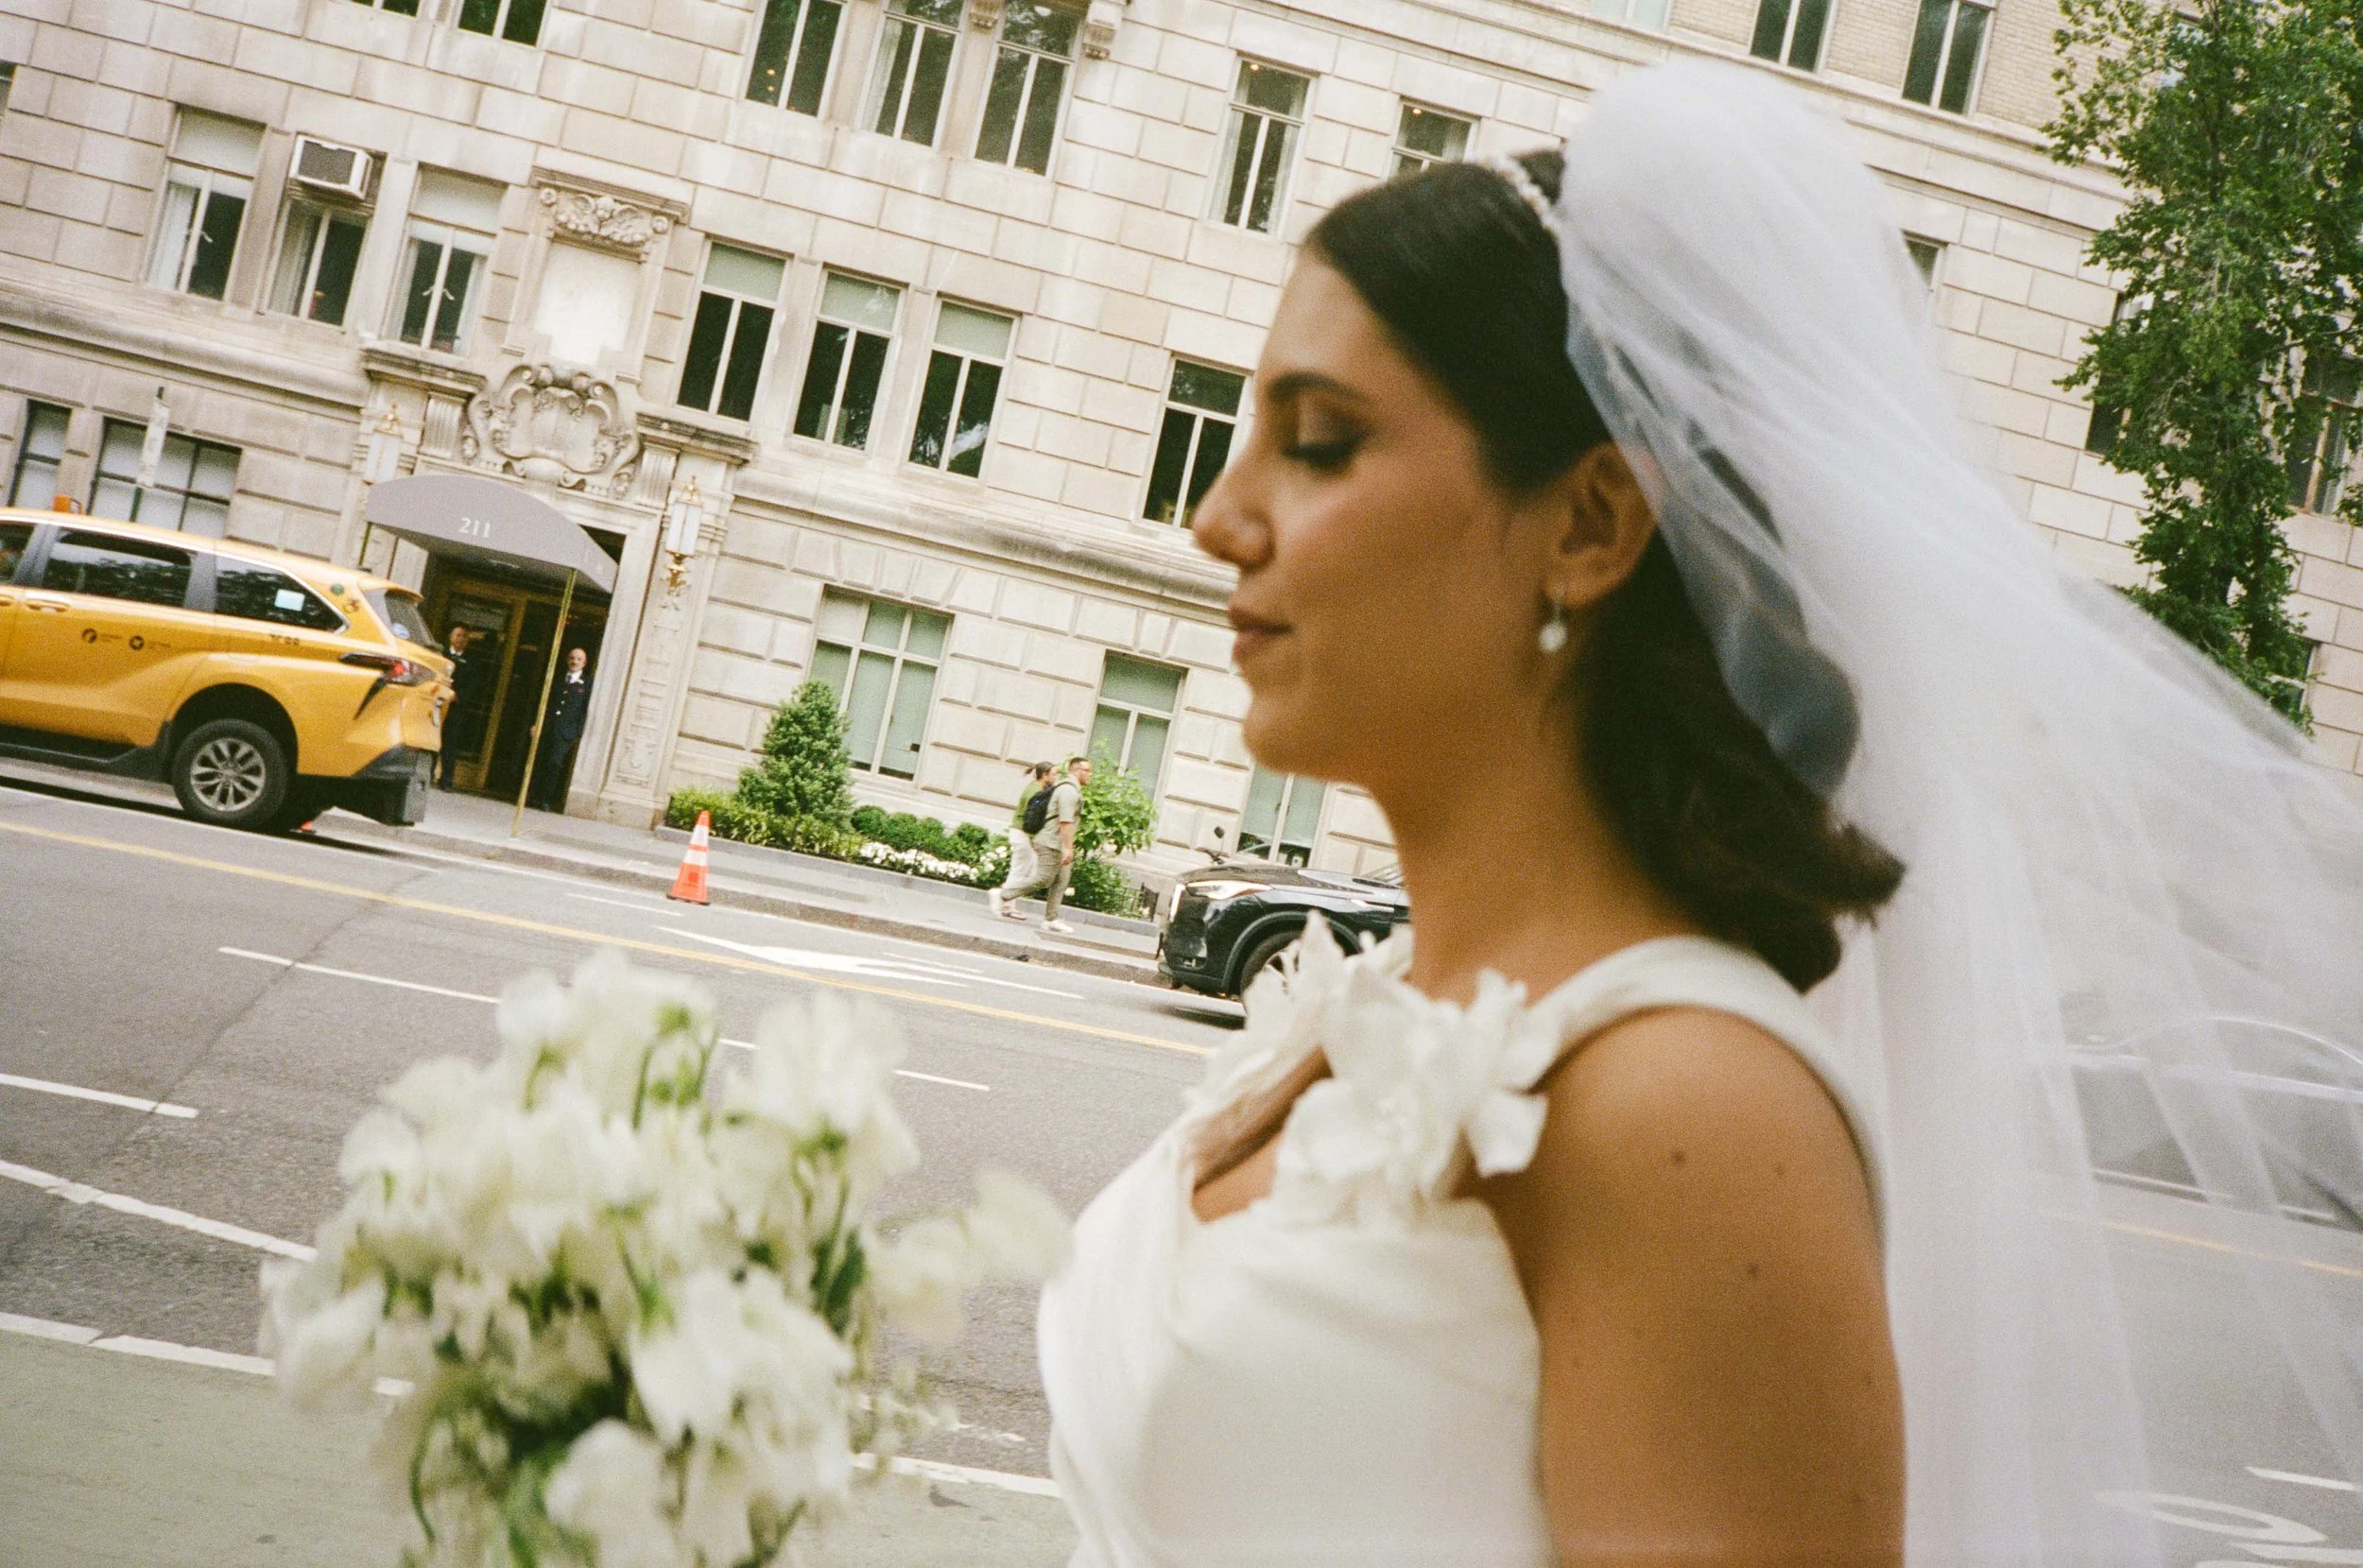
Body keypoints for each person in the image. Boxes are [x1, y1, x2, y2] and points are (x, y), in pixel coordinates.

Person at [1036, 61, 2363, 1568]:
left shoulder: (1689, 1106)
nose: (1219, 516)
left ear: (1594, 521)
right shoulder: (1385, 1001)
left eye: (1322, 439)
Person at [994, 754, 1088, 934]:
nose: (1089, 774)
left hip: (1056, 843)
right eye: (1087, 770)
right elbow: (1065, 822)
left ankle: (1051, 919)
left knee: (1061, 881)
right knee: (1044, 878)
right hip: (1052, 842)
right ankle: (1002, 895)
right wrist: (1069, 848)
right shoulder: (1068, 790)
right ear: (1076, 771)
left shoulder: (1068, 788)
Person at [527, 646, 591, 813]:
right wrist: (536, 723)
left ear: (584, 663)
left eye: (578, 659)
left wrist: (577, 731)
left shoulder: (587, 684)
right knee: (539, 760)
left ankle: (546, 799)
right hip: (547, 727)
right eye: (572, 658)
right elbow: (543, 701)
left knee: (554, 764)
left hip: (565, 732)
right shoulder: (557, 678)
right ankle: (531, 795)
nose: (574, 661)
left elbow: (585, 710)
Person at [988, 761, 1055, 919]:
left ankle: (1007, 902)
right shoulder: (1036, 792)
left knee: (1023, 871)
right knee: (1021, 871)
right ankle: (1005, 901)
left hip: (1020, 833)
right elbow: (1031, 818)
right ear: (1045, 775)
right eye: (1054, 774)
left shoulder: (1035, 788)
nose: (1056, 777)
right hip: (1023, 835)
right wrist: (1033, 839)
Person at [435, 623, 489, 791]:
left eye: (464, 636)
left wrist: (458, 696)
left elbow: (474, 684)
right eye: (457, 635)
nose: (460, 639)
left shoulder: (472, 661)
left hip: (456, 707)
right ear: (451, 637)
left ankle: (447, 780)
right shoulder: (440, 655)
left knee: (450, 744)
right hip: (435, 704)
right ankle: (427, 775)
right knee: (432, 740)